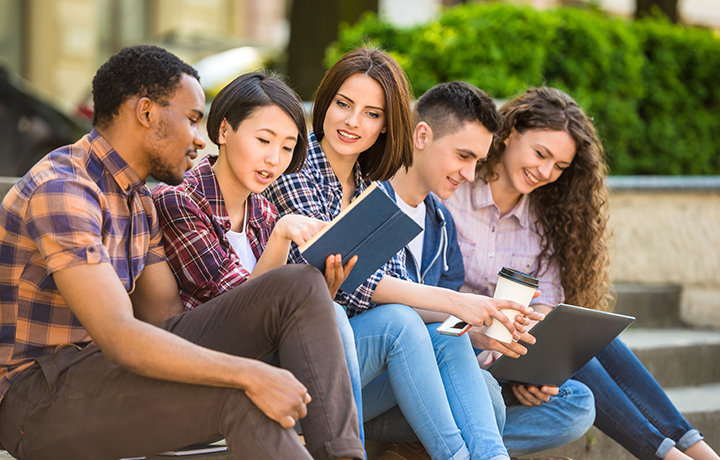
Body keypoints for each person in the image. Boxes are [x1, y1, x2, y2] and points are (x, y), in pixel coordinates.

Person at [0, 45, 363, 460]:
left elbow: (168, 323)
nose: (197, 138)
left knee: (297, 285)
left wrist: (284, 317)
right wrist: (250, 373)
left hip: (106, 375)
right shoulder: (64, 190)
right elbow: (119, 335)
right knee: (242, 396)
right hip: (37, 399)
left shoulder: (139, 200)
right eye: (192, 119)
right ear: (147, 113)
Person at [265, 47, 534, 460]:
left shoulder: (371, 188)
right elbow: (353, 284)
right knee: (400, 322)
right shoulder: (296, 169)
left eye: (372, 114)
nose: (353, 122)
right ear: (324, 103)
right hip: (301, 366)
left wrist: (474, 318)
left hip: (360, 366)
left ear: (387, 126)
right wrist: (460, 302)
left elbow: (393, 284)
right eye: (343, 104)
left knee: (451, 340)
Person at [443, 86, 720, 460]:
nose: (545, 172)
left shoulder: (545, 221)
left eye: (559, 167)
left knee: (587, 344)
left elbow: (547, 309)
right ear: (509, 132)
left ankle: (694, 448)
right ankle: (671, 457)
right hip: (461, 351)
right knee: (579, 371)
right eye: (541, 154)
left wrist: (541, 366)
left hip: (513, 354)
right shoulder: (454, 189)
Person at [361, 81, 595, 459]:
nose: (471, 174)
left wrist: (483, 331)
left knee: (570, 399)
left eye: (476, 160)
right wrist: (463, 310)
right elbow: (368, 304)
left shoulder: (440, 224)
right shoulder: (371, 197)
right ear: (422, 135)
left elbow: (444, 329)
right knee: (482, 393)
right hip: (371, 376)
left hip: (427, 371)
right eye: (464, 156)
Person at [152, 71, 366, 447]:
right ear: (223, 131)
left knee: (389, 324)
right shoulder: (178, 201)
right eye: (264, 140)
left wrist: (322, 289)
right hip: (206, 366)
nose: (274, 159)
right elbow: (238, 310)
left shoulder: (264, 212)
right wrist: (284, 238)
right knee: (329, 315)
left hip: (267, 361)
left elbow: (281, 313)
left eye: (287, 147)